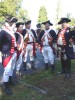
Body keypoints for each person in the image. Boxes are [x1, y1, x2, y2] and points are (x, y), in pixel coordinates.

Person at [0, 16, 18, 95]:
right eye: (14, 23)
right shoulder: (3, 32)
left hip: (13, 53)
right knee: (7, 71)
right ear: (10, 23)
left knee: (11, 68)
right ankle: (6, 87)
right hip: (6, 54)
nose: (15, 25)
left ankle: (10, 81)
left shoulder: (11, 32)